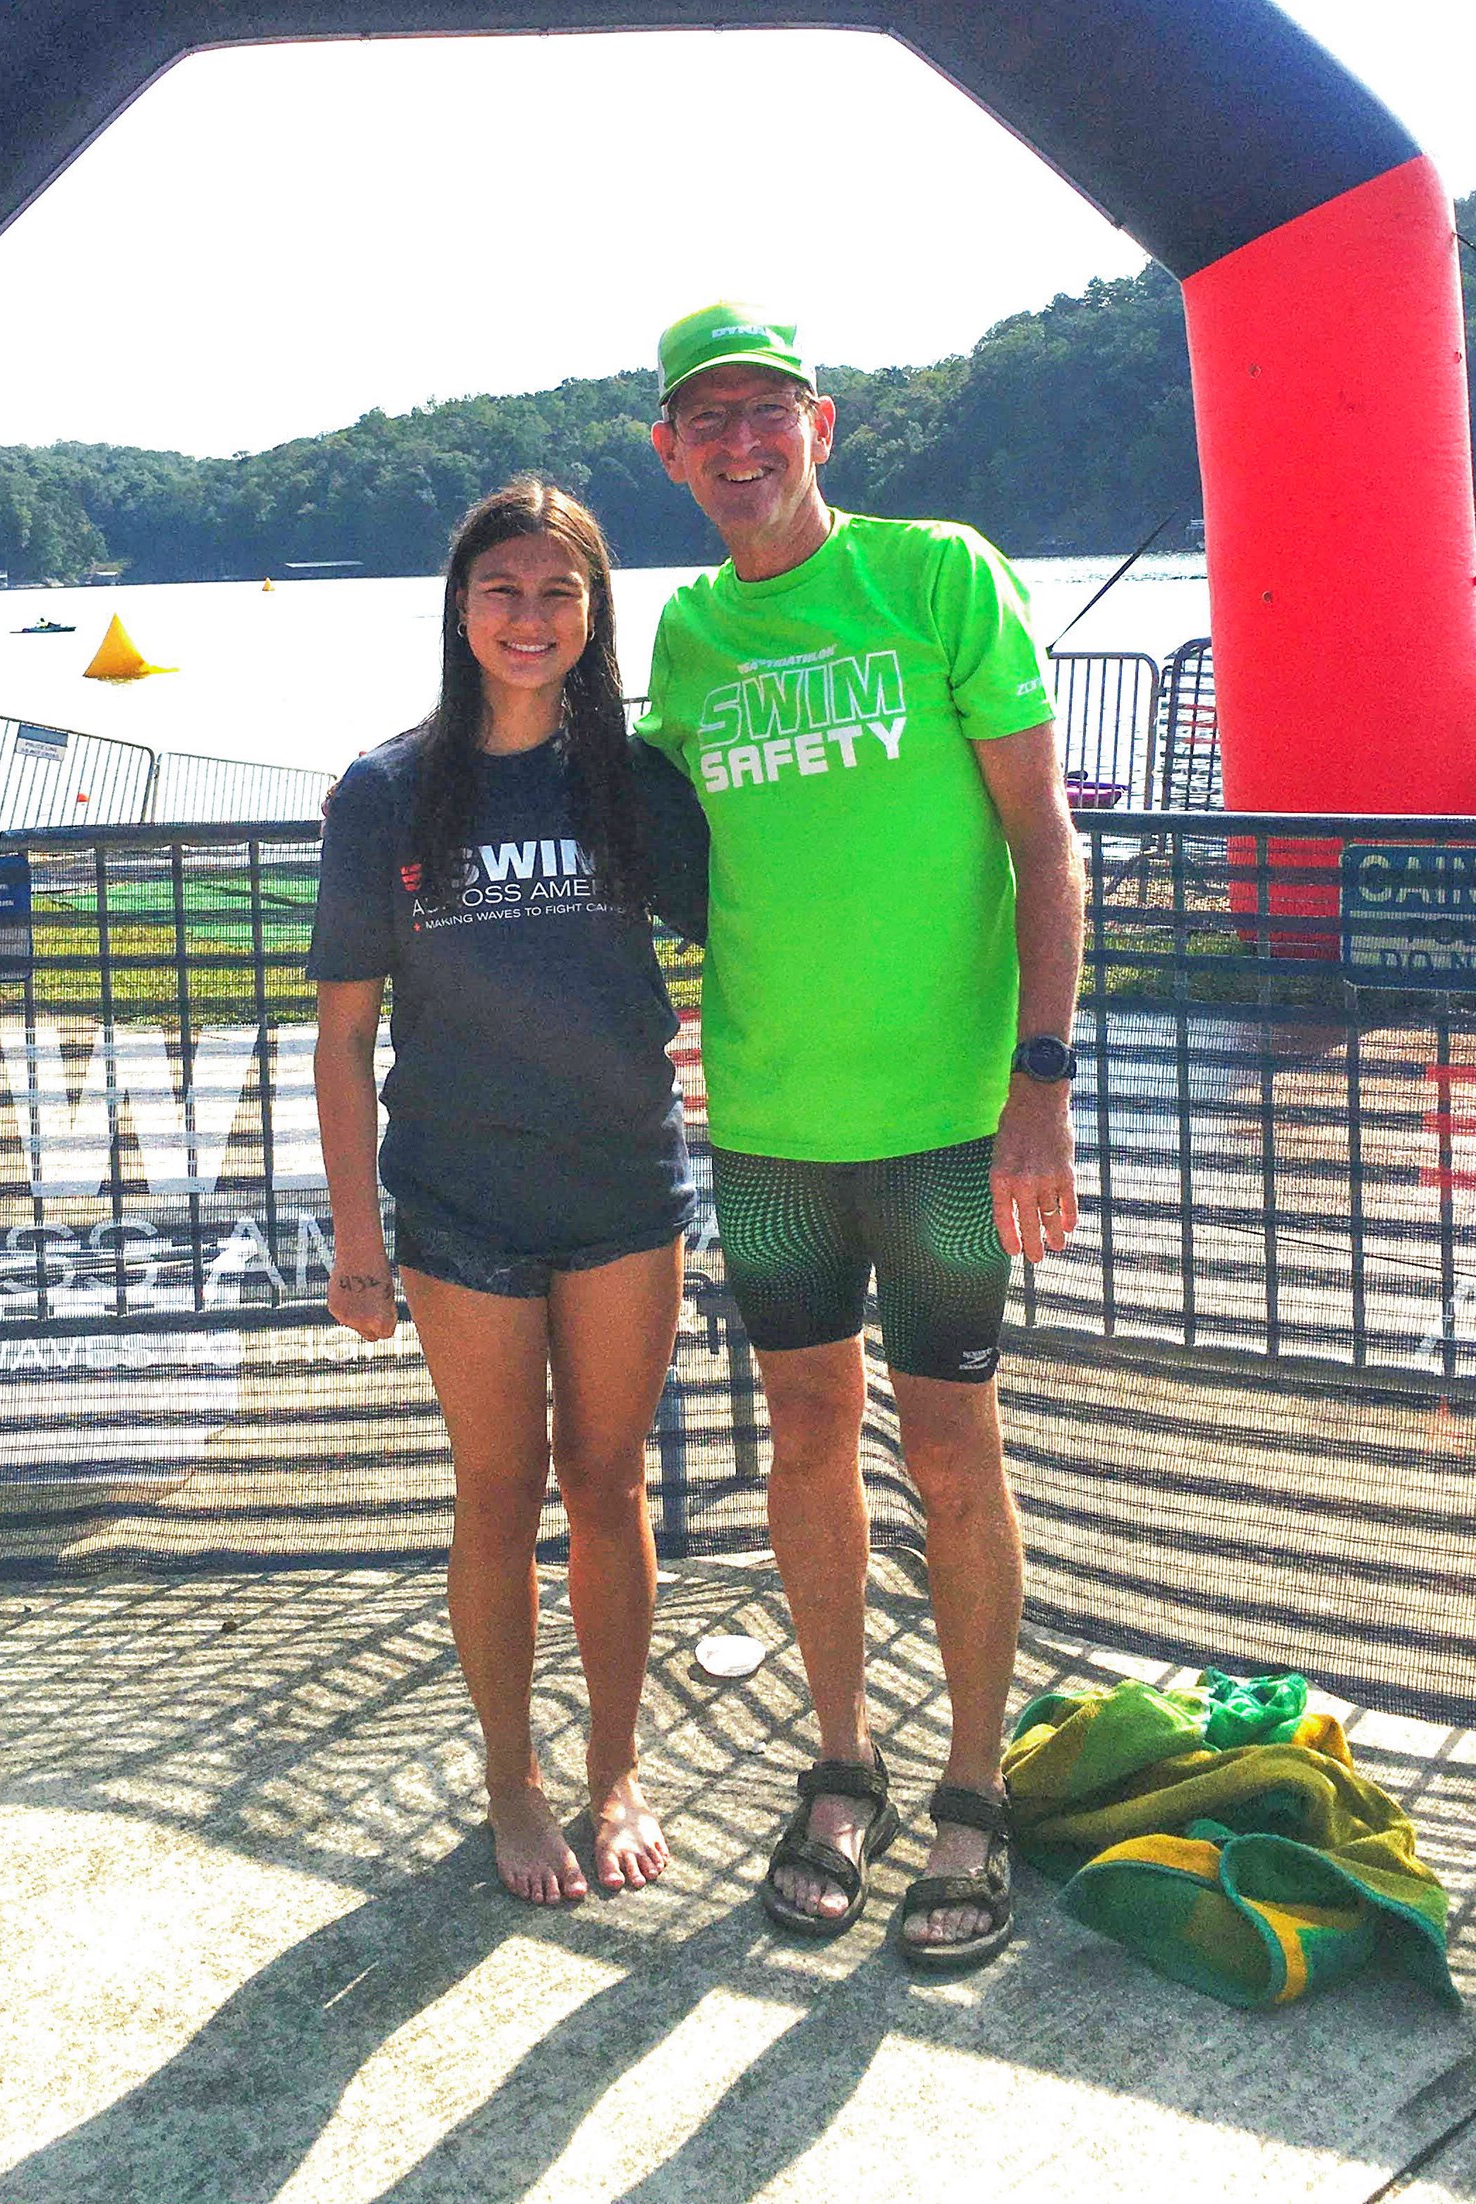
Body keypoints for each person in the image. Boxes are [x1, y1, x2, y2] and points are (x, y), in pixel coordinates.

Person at [640, 305, 1084, 1967]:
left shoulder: (939, 575)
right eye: (709, 422)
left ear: (820, 422)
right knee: (806, 1437)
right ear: (669, 453)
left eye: (769, 411)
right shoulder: (682, 636)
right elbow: (628, 825)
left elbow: (1044, 845)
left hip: (946, 1130)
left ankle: (972, 1788)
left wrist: (1038, 1087)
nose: (743, 444)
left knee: (955, 1444)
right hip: (764, 1130)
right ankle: (846, 1763)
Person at [309, 479, 707, 1907]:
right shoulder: (386, 791)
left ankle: (616, 1771)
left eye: (557, 594)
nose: (528, 619)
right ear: (460, 608)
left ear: (593, 615)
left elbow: (768, 927)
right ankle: (512, 1783)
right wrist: (358, 1237)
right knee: (499, 1489)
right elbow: (346, 1037)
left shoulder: (636, 781)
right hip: (460, 1200)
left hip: (623, 1188)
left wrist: (751, 1050)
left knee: (608, 1485)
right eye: (503, 591)